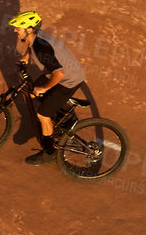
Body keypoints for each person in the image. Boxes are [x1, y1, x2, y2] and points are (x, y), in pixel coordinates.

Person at [7, 11, 87, 165]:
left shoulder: (41, 47)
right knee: (32, 93)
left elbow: (60, 74)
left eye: (18, 27)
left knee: (43, 115)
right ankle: (61, 118)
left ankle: (50, 152)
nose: (15, 30)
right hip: (56, 73)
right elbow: (33, 47)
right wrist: (26, 57)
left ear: (29, 29)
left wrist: (44, 89)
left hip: (68, 79)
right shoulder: (36, 38)